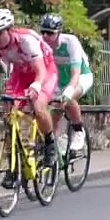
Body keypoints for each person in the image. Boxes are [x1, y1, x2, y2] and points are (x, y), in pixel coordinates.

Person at [0, 8, 57, 188]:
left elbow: (40, 71)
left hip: (44, 71)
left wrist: (36, 86)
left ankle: (49, 143)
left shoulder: (26, 40)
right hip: (20, 74)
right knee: (8, 116)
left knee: (38, 106)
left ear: (10, 29)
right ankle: (12, 169)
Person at [38, 14, 91, 154]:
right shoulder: (40, 45)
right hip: (58, 80)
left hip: (81, 76)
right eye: (43, 32)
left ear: (59, 32)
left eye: (50, 33)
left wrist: (68, 91)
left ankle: (78, 130)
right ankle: (56, 142)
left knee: (69, 98)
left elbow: (75, 74)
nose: (45, 36)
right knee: (51, 114)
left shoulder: (70, 42)